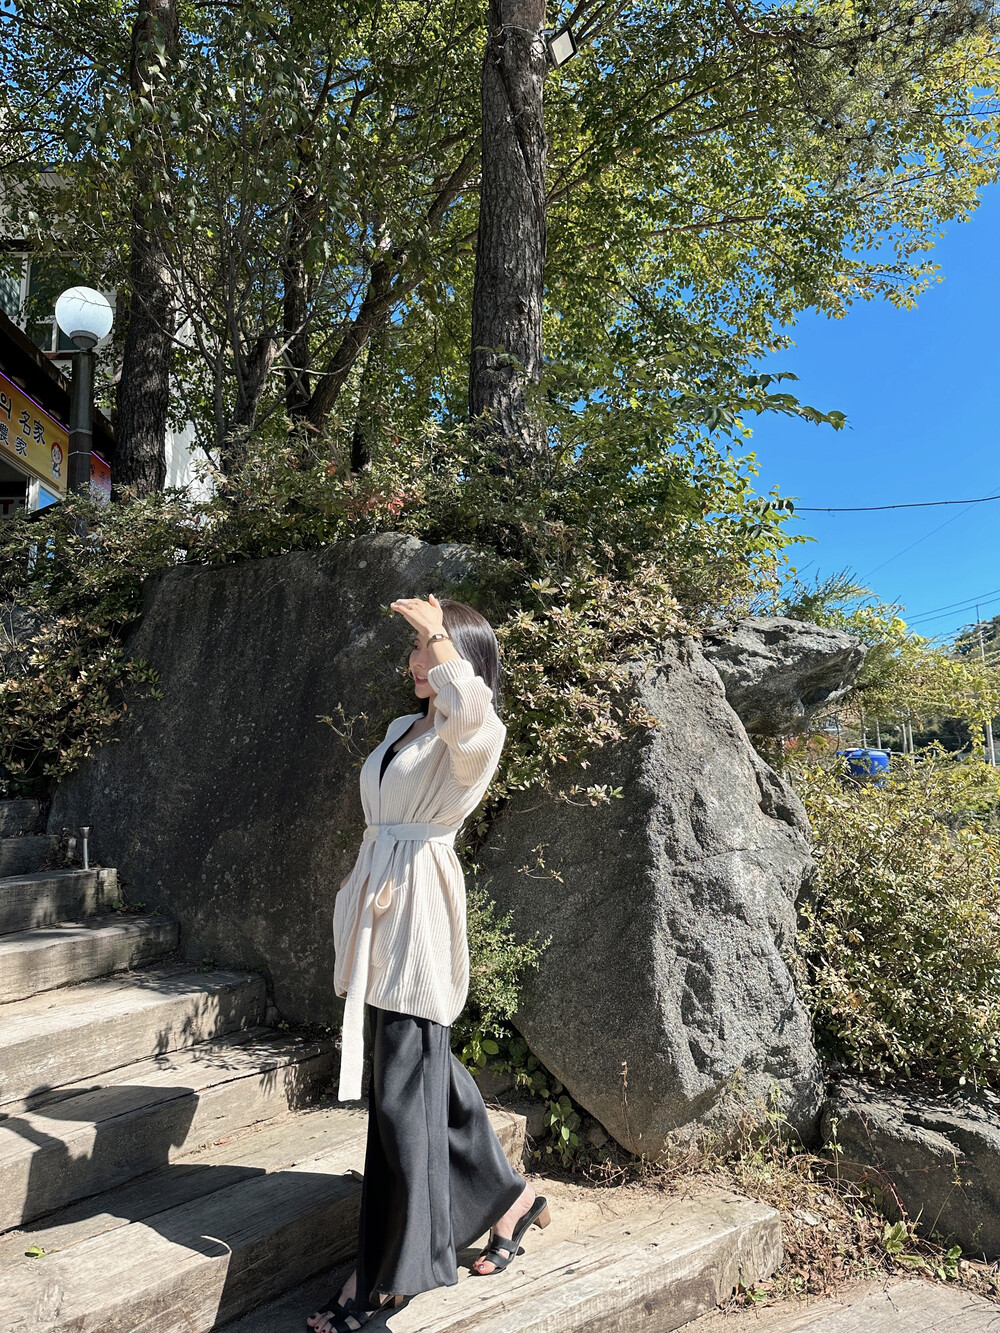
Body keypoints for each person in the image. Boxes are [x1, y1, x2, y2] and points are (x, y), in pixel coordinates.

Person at [307, 592, 549, 1333]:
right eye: (413, 646)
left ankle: (391, 1272)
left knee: (401, 1093)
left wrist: (440, 632)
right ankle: (509, 1197)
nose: (415, 659)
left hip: (418, 915)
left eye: (427, 646)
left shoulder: (473, 732)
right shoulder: (402, 729)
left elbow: (471, 715)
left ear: (459, 658)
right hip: (384, 907)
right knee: (422, 1068)